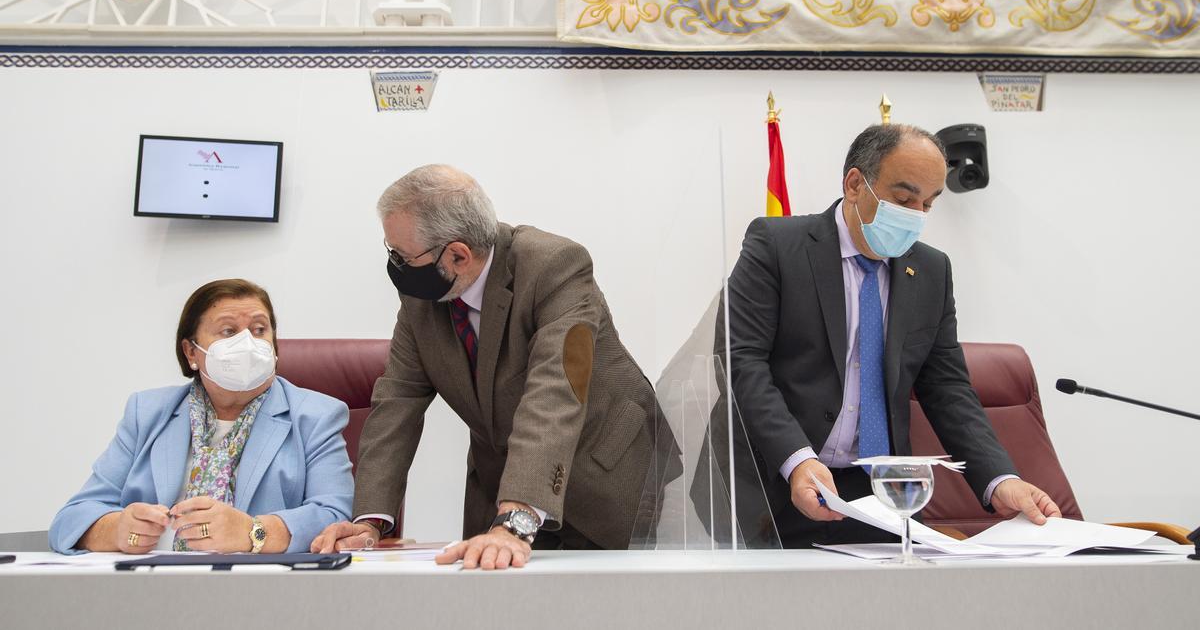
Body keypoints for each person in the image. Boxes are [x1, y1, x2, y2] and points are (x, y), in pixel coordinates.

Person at [727, 124, 1061, 547]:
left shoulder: (931, 271)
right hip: (773, 483)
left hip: (879, 495)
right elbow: (742, 362)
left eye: (928, 203)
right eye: (904, 199)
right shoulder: (778, 246)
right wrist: (797, 461)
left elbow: (947, 387)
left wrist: (999, 478)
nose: (916, 215)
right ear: (854, 184)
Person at [311, 164, 659, 569]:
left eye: (403, 256)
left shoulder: (555, 267)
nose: (396, 266)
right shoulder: (422, 297)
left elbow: (557, 389)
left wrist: (517, 518)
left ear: (458, 254)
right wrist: (370, 520)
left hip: (605, 474)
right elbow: (397, 400)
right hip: (500, 485)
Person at [49, 279, 354, 555]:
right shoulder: (148, 412)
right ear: (191, 352)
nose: (247, 343)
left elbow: (335, 516)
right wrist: (116, 530)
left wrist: (253, 533)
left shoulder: (315, 416)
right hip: (150, 587)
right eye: (228, 332)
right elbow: (71, 519)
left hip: (260, 592)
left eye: (260, 330)